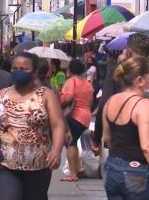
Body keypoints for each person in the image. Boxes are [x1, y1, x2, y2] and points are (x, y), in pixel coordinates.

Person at [0, 52, 66, 200]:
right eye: (15, 68)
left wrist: (56, 150)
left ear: (35, 72)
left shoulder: (46, 95)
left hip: (38, 165)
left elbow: (58, 124)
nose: (18, 72)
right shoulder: (1, 95)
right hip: (5, 164)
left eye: (23, 69)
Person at [92, 33, 149, 154]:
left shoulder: (118, 70)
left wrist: (97, 139)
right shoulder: (145, 74)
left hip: (118, 145)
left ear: (129, 52)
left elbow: (103, 105)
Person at [102, 57, 149, 200]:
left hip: (112, 167)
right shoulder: (143, 105)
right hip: (137, 171)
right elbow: (146, 146)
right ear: (140, 80)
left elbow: (108, 138)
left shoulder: (111, 101)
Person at [60, 59, 94, 182]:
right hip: (86, 116)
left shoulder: (71, 81)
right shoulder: (87, 83)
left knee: (70, 143)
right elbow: (90, 101)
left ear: (71, 69)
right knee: (73, 141)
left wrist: (60, 99)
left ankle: (73, 173)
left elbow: (68, 98)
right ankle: (78, 168)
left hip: (75, 115)